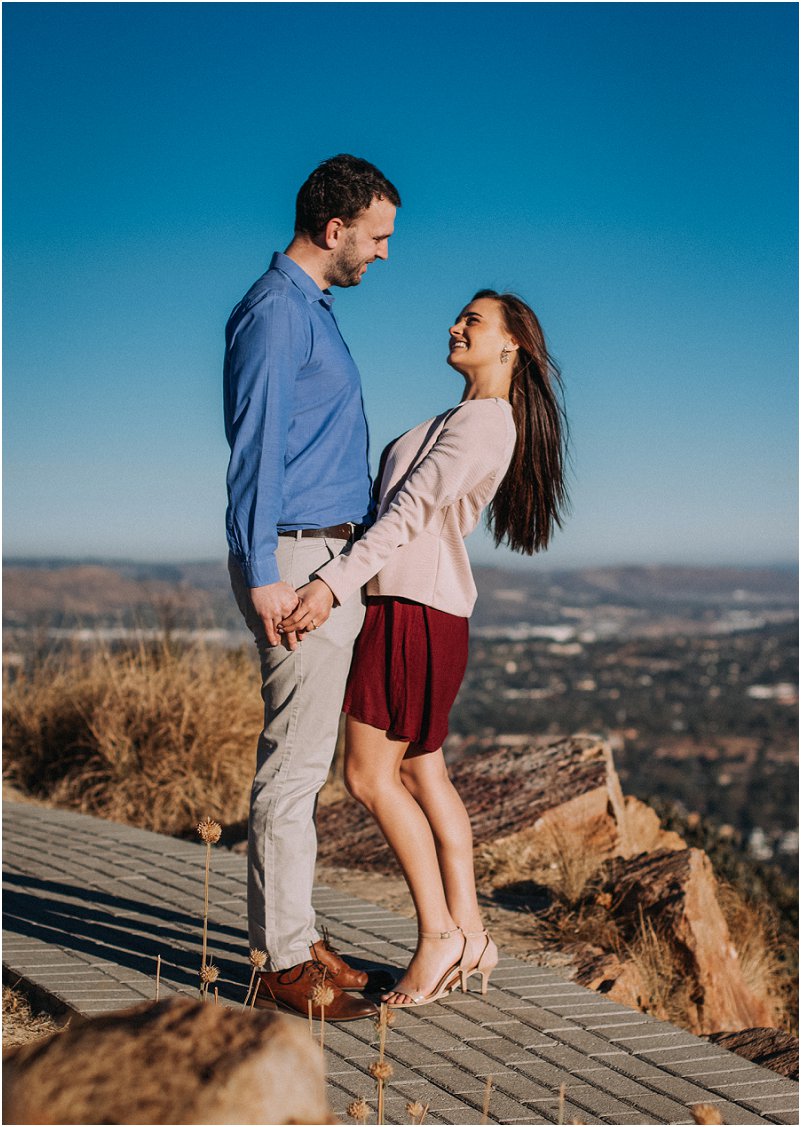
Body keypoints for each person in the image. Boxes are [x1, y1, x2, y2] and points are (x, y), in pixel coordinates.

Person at [281, 289, 569, 1007]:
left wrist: (330, 584)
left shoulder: (480, 423)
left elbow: (405, 515)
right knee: (422, 772)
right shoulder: (473, 417)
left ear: (512, 345)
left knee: (369, 778)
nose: (455, 325)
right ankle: (468, 929)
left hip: (410, 611)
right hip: (425, 611)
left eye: (473, 320)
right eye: (458, 316)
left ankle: (436, 936)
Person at [224, 154, 400, 1021]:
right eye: (377, 237)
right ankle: (280, 963)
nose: (383, 253)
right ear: (334, 231)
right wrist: (263, 575)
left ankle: (296, 934)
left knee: (301, 768)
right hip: (293, 563)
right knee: (291, 773)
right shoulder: (274, 313)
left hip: (319, 559)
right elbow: (254, 449)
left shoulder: (311, 312)